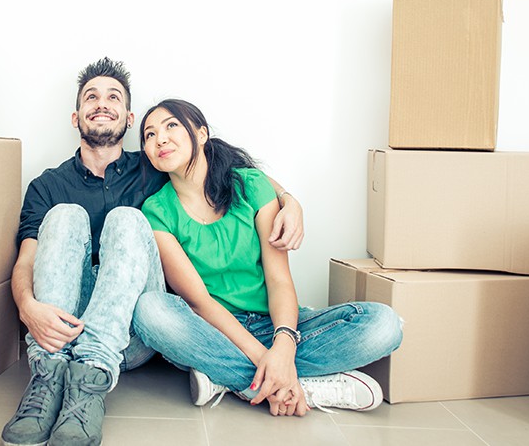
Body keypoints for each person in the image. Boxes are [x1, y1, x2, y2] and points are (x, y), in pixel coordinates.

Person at [1, 60, 305, 446]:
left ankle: (90, 379)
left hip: (130, 334)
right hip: (60, 331)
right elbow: (26, 261)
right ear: (76, 117)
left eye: (113, 97)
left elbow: (223, 168)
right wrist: (27, 306)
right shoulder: (47, 186)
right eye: (91, 97)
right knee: (64, 215)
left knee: (128, 218)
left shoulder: (155, 165)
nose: (102, 103)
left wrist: (289, 200)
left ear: (128, 119)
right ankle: (47, 378)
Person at [133, 98, 403, 417]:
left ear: (201, 134)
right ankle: (291, 385)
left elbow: (279, 281)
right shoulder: (156, 211)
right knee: (151, 311)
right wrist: (268, 360)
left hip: (272, 323)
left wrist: (284, 346)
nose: (160, 139)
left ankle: (231, 379)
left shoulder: (251, 186)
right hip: (212, 331)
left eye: (171, 126)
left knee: (384, 324)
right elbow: (199, 302)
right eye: (149, 135)